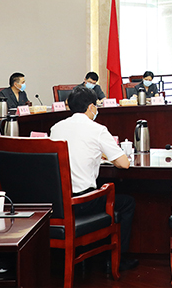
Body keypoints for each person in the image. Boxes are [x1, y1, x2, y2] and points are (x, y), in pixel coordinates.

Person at [49, 86, 138, 271]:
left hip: (58, 203)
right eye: (96, 106)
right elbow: (124, 164)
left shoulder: (56, 128)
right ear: (91, 107)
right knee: (127, 202)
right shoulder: (97, 129)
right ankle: (118, 259)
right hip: (83, 202)